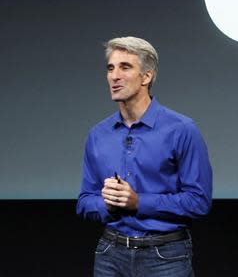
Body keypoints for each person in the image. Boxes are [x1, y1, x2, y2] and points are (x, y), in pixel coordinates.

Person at [76, 36, 213, 276]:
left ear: (146, 77)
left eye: (125, 67)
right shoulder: (98, 134)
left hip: (165, 256)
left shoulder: (181, 129)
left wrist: (138, 202)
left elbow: (198, 201)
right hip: (111, 254)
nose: (114, 76)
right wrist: (107, 204)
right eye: (110, 68)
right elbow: (85, 201)